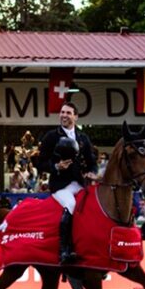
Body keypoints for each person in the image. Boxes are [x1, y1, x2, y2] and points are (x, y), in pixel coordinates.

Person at [35, 102, 98, 264]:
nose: (64, 115)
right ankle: (64, 250)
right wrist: (56, 166)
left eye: (68, 113)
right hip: (60, 186)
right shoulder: (51, 136)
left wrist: (92, 172)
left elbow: (92, 161)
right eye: (62, 112)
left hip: (80, 183)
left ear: (75, 117)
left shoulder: (83, 138)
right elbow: (40, 163)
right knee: (71, 204)